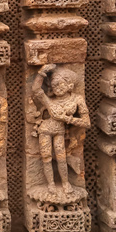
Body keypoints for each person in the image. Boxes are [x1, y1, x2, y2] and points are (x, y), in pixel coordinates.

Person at [30, 64, 89, 194]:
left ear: (70, 86)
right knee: (46, 157)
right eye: (54, 85)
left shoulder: (76, 99)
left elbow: (86, 122)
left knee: (61, 157)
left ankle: (65, 182)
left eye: (60, 84)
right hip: (45, 130)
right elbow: (36, 90)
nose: (57, 88)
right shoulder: (49, 101)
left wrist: (67, 119)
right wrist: (41, 73)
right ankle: (50, 183)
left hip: (60, 131)